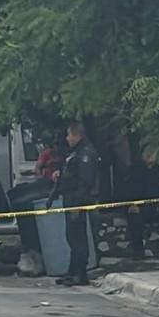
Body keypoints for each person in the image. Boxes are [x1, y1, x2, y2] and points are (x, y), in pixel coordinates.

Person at [50, 121, 100, 286]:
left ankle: (80, 273)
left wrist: (77, 202)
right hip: (70, 199)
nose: (67, 138)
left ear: (77, 135)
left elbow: (85, 181)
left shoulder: (85, 153)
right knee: (72, 237)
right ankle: (72, 272)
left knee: (78, 238)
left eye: (69, 134)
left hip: (78, 201)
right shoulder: (76, 152)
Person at [125, 148, 159, 260]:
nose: (149, 155)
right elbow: (125, 191)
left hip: (158, 208)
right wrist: (131, 205)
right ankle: (138, 252)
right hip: (139, 209)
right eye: (146, 152)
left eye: (152, 152)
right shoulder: (133, 171)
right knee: (134, 220)